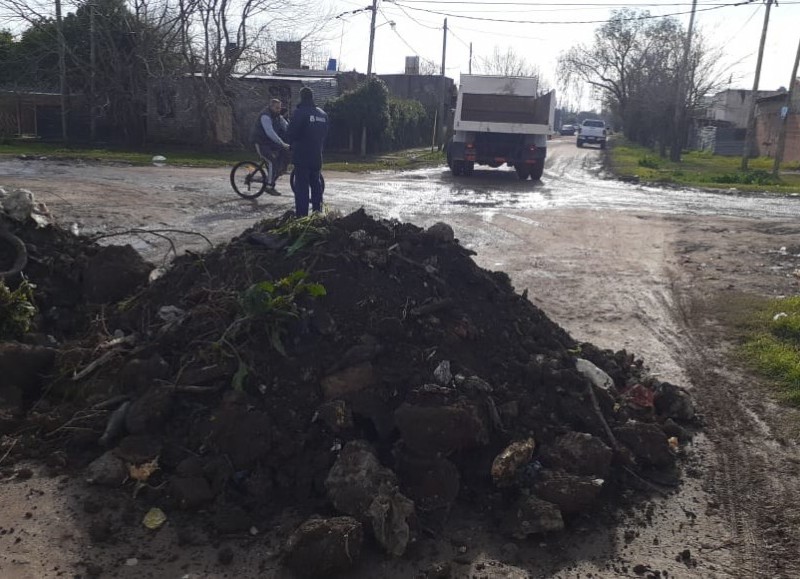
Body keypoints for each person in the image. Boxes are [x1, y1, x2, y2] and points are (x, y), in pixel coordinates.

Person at [287, 87, 328, 216]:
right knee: (316, 186)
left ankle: (302, 217)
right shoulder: (322, 114)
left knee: (302, 189)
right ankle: (317, 215)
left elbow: (291, 133)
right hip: (316, 156)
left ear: (301, 97)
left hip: (302, 157)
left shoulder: (300, 113)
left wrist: (288, 143)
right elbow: (325, 133)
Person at [250, 98, 290, 194]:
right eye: (276, 108)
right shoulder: (265, 116)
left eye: (279, 108)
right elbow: (270, 132)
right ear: (271, 107)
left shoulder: (278, 117)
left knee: (286, 153)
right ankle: (269, 186)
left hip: (270, 143)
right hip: (261, 143)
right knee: (272, 161)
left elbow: (287, 127)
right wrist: (282, 143)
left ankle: (279, 171)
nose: (279, 110)